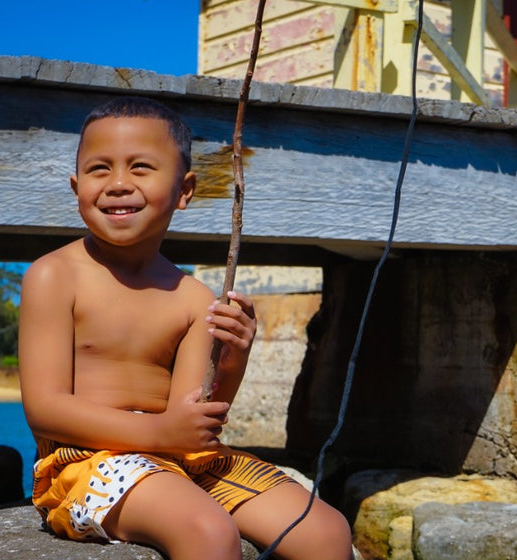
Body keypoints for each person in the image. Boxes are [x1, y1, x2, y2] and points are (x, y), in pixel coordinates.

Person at [18, 96, 353, 560]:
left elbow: (195, 413)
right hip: (86, 460)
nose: (118, 184)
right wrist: (159, 435)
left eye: (140, 167)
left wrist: (234, 357)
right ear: (76, 187)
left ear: (185, 189)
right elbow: (45, 409)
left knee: (326, 530)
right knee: (209, 532)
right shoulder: (54, 276)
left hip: (178, 455)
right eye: (99, 169)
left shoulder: (195, 297)